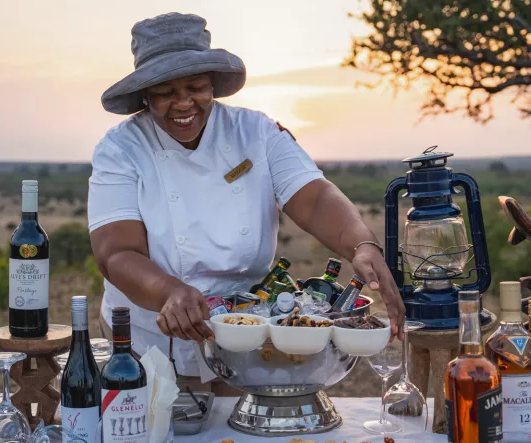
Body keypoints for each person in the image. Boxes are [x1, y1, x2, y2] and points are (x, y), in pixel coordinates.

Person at [88, 13, 404, 390]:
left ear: (213, 85)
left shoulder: (256, 132)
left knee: (241, 439)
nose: (184, 103)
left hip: (246, 328)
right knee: (160, 437)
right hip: (150, 335)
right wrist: (169, 291)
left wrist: (362, 244)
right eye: (165, 93)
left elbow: (315, 198)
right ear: (144, 96)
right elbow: (116, 252)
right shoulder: (121, 148)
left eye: (196, 87)